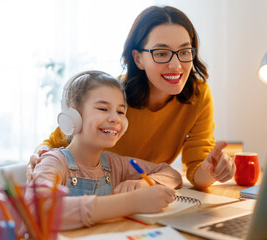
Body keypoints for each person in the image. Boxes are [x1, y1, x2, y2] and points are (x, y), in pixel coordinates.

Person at [28, 5, 235, 189]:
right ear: (138, 58)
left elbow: (197, 171)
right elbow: (55, 142)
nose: (176, 65)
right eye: (161, 53)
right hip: (95, 191)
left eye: (184, 51)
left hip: (141, 194)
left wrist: (212, 170)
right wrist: (41, 155)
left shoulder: (198, 95)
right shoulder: (113, 93)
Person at [27, 70, 182, 230]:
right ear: (74, 116)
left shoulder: (114, 164)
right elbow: (40, 211)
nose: (115, 118)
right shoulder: (54, 162)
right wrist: (131, 202)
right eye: (102, 109)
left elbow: (172, 174)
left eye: (120, 112)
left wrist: (142, 183)